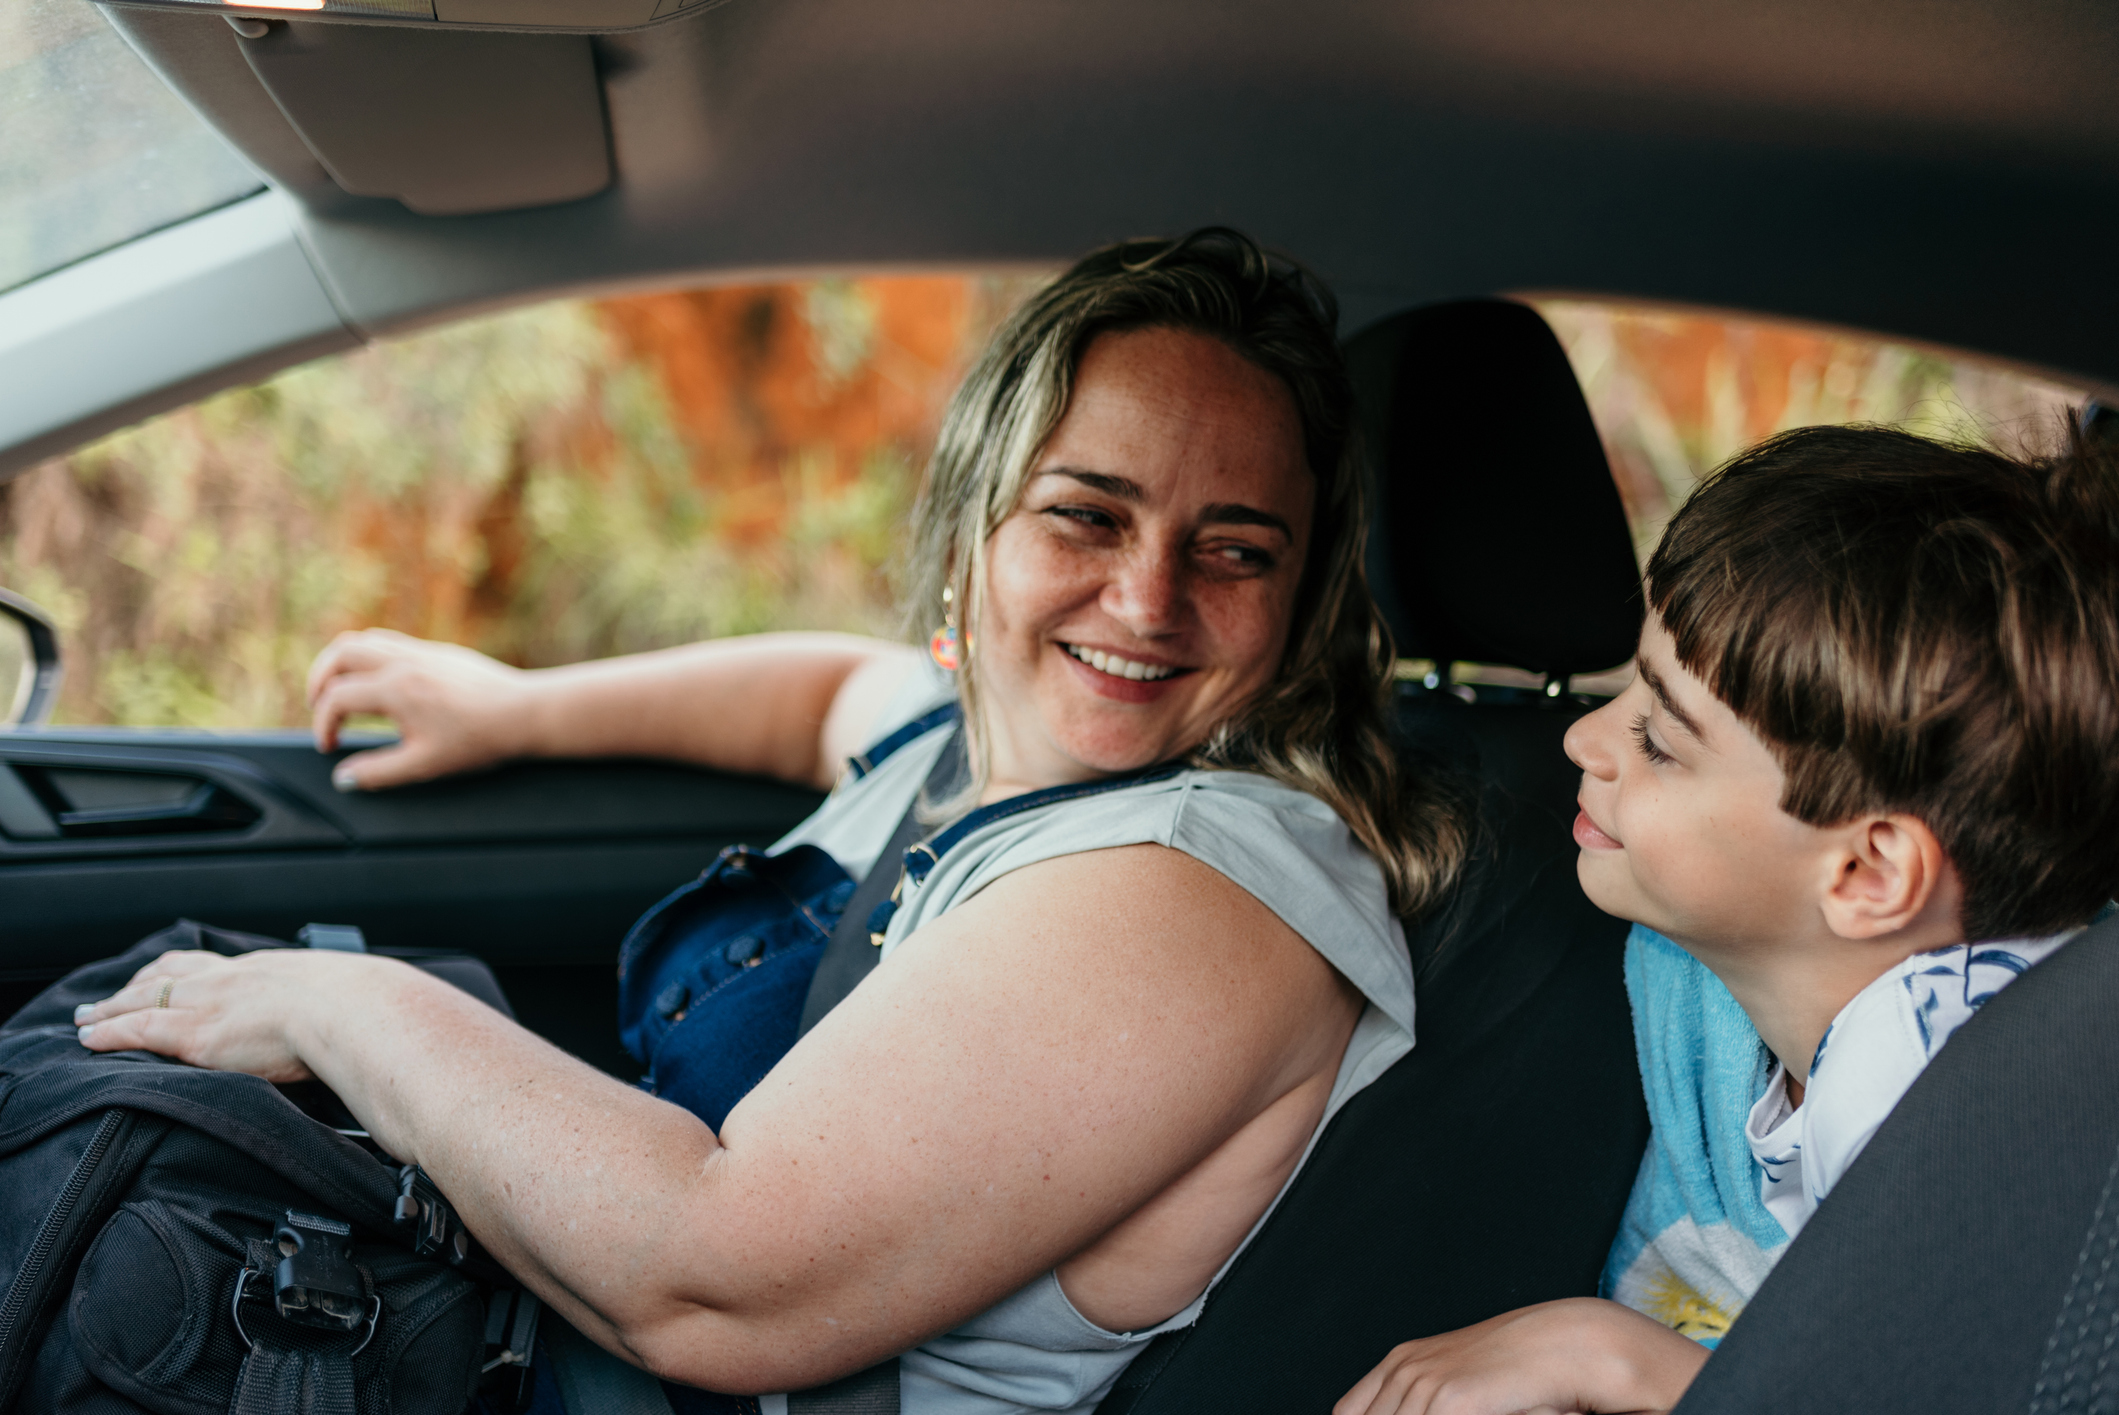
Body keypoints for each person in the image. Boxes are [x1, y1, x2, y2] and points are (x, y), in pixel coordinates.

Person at [73, 230, 1469, 1415]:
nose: (1146, 599)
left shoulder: (1205, 884)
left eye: (1232, 551)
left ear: (1297, 601)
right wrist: (519, 708)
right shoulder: (977, 738)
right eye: (1085, 517)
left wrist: (344, 1006)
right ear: (978, 514)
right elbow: (816, 696)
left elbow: (705, 1273)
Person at [1333, 422, 2119, 1415]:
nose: (1582, 734)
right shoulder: (1709, 995)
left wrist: (1612, 1356)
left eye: (1659, 739)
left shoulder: (1984, 1117)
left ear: (1867, 869)